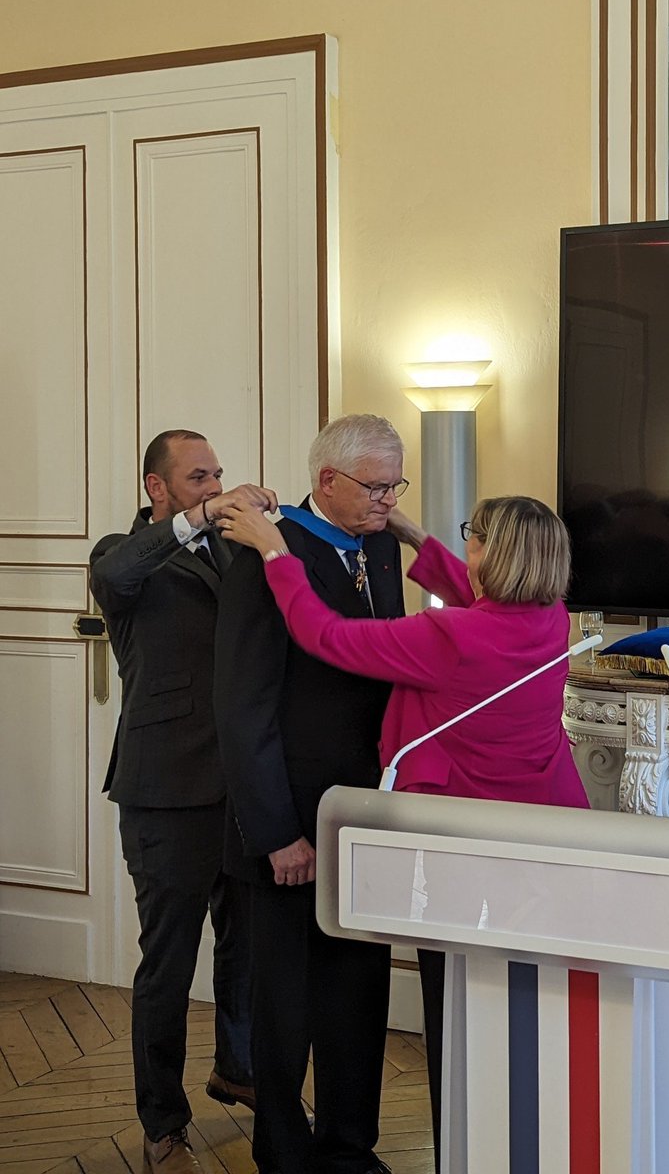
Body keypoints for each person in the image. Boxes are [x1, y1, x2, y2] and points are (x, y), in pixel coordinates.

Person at [215, 492, 589, 1172]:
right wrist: (418, 536)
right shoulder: (549, 619)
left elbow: (323, 635)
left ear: (493, 557)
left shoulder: (453, 638)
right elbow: (479, 597)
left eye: (471, 539)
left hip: (458, 845)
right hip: (534, 837)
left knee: (457, 1011)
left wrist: (274, 550)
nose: (464, 549)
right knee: (507, 1010)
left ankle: (467, 1152)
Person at [213, 414, 407, 1174]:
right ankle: (285, 1155)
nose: (389, 499)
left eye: (398, 484)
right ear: (327, 481)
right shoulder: (266, 551)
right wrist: (274, 831)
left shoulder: (382, 544)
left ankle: (349, 1150)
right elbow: (243, 705)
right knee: (286, 1007)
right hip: (288, 821)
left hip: (364, 814)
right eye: (376, 486)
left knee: (357, 993)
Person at [89, 429, 277, 1174]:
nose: (214, 487)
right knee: (167, 963)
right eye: (197, 477)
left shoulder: (232, 549)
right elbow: (119, 574)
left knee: (246, 947)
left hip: (242, 787)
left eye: (219, 475)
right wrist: (200, 519)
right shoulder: (122, 555)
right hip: (166, 792)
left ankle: (237, 1068)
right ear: (156, 487)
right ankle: (162, 1118)